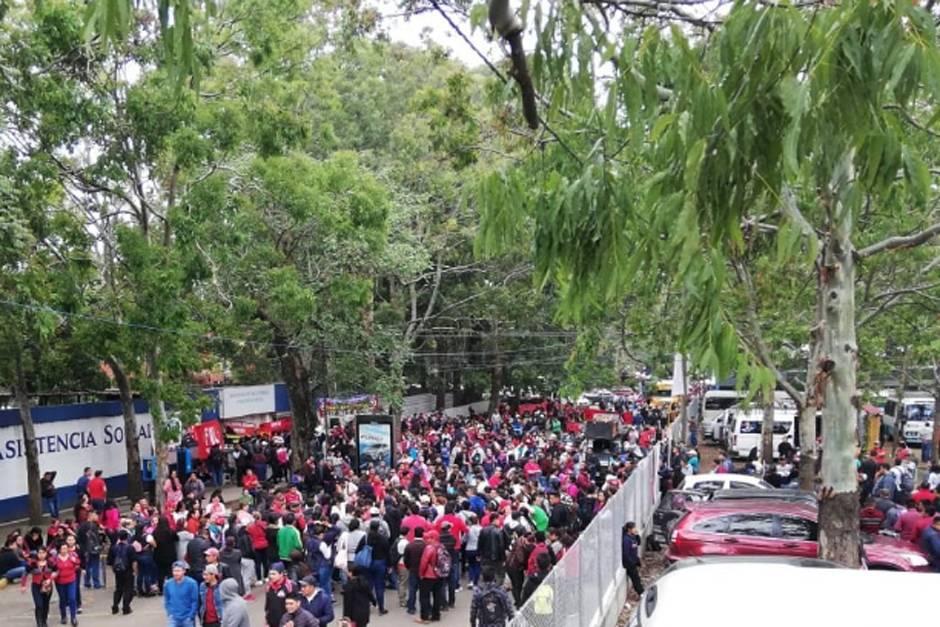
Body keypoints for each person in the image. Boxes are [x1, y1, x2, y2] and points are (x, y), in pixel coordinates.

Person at [21, 545, 55, 627]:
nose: (41, 555)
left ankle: (44, 621)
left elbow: (57, 571)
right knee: (39, 605)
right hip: (36, 586)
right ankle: (39, 623)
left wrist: (50, 579)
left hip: (48, 586)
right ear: (37, 554)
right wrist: (23, 585)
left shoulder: (51, 562)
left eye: (43, 553)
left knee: (46, 604)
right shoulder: (32, 563)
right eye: (39, 553)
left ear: (46, 553)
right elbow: (25, 573)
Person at [107, 529, 137, 616]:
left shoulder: (113, 548)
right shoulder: (130, 548)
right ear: (127, 537)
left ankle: (115, 606)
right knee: (128, 589)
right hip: (128, 570)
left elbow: (110, 561)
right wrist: (135, 571)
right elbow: (134, 561)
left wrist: (114, 570)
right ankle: (126, 607)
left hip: (118, 571)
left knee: (118, 589)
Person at [52, 540, 81, 626]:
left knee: (72, 598)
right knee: (63, 599)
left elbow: (78, 563)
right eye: (63, 549)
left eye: (66, 548)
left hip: (71, 580)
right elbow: (52, 568)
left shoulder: (72, 556)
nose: (65, 550)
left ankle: (73, 617)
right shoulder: (55, 559)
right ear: (59, 550)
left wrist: (74, 562)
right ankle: (63, 616)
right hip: (60, 582)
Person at [417, 529, 442, 624]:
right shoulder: (441, 547)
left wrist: (421, 574)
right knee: (437, 596)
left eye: (428, 538)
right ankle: (436, 615)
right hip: (439, 574)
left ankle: (425, 617)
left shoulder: (429, 548)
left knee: (424, 596)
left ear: (433, 538)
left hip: (428, 575)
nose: (426, 539)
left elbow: (424, 562)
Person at [365, 519, 390, 615]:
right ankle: (381, 608)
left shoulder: (366, 538)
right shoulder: (382, 539)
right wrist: (389, 564)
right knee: (379, 586)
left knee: (368, 585)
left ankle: (367, 605)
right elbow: (387, 552)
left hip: (368, 562)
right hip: (380, 562)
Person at [164, 561, 199, 627]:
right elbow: (167, 599)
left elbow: (195, 601)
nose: (176, 573)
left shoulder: (192, 583)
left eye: (178, 571)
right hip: (173, 618)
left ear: (184, 571)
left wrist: (190, 616)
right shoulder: (168, 584)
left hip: (187, 618)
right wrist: (170, 613)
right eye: (174, 571)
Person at [403, 527, 426, 615]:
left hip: (413, 569)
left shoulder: (409, 545)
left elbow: (406, 559)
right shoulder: (425, 546)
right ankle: (424, 607)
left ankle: (411, 607)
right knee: (423, 590)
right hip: (423, 571)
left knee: (412, 589)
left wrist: (409, 567)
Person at [265, 562, 294, 627]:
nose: (271, 576)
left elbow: (295, 607)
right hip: (272, 621)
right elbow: (267, 605)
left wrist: (291, 621)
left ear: (281, 574)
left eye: (273, 574)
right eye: (270, 574)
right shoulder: (269, 586)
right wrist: (267, 621)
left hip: (285, 623)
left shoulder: (290, 586)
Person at [621, 522, 643, 596]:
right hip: (629, 564)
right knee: (636, 579)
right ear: (629, 529)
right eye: (634, 528)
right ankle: (641, 593)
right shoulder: (626, 540)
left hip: (633, 561)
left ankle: (641, 591)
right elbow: (626, 553)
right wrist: (631, 562)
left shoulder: (633, 536)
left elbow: (639, 543)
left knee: (637, 578)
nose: (635, 529)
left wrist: (637, 535)